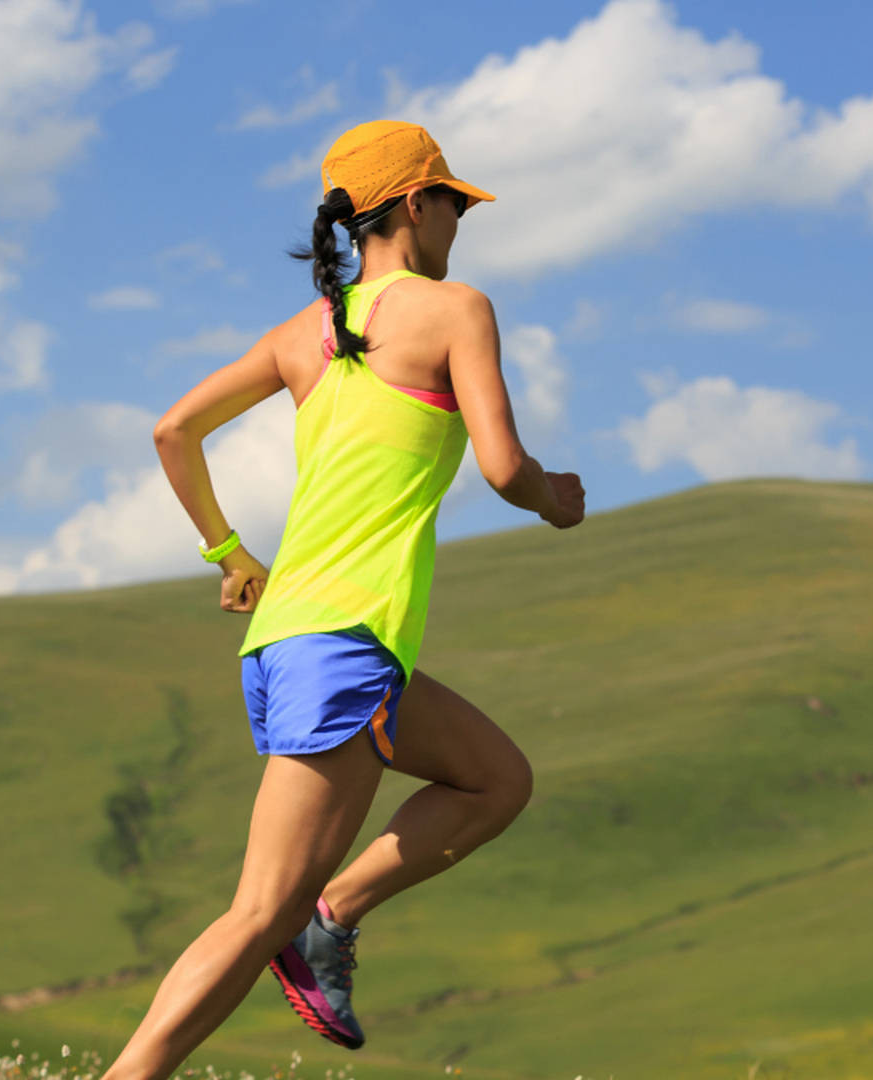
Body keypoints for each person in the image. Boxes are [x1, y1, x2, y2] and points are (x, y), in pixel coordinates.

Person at [102, 120, 586, 1080]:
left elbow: (172, 431)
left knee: (497, 779)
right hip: (346, 647)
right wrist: (554, 497)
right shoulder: (455, 310)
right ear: (416, 205)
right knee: (258, 911)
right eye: (454, 202)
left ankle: (333, 917)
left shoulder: (302, 335)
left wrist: (231, 554)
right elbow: (499, 468)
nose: (461, 222)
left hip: (297, 644)